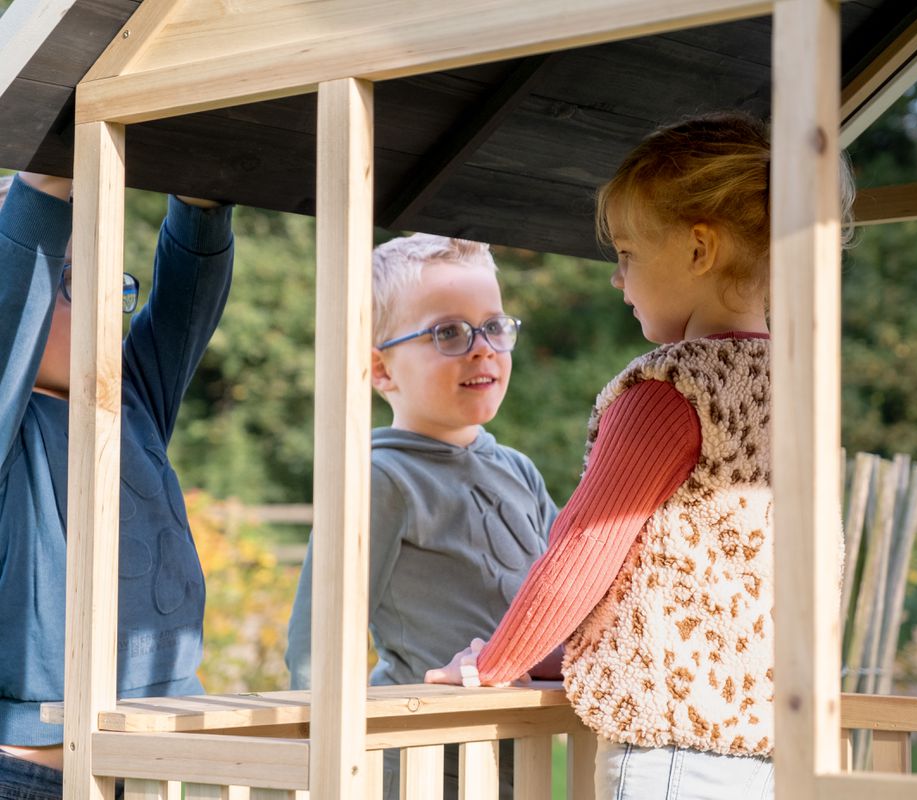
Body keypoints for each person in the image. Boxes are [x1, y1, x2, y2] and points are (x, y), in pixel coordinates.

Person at [428, 113, 853, 798]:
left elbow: (584, 550)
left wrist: (494, 662)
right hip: (778, 750)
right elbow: (699, 590)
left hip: (673, 756)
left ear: (698, 249)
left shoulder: (669, 389)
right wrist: (556, 658)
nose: (617, 282)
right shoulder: (800, 388)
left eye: (626, 255)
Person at [285, 234, 559, 799]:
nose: (482, 348)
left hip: (521, 751)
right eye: (449, 333)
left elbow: (570, 594)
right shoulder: (378, 478)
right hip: (421, 765)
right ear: (382, 370)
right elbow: (317, 642)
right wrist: (316, 763)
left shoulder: (520, 470)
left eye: (494, 327)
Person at [0, 172, 235, 798]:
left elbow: (189, 298)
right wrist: (45, 188)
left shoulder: (128, 402)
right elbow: (15, 286)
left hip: (157, 772)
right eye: (74, 283)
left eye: (113, 283)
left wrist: (200, 202)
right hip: (34, 778)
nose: (106, 302)